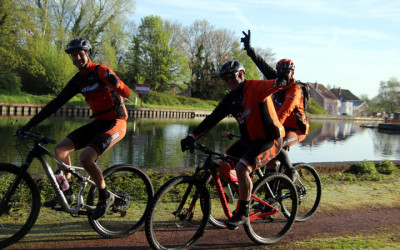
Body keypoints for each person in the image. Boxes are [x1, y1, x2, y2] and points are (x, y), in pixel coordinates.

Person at [17, 38, 130, 220]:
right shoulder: (78, 81)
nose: (77, 58)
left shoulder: (101, 71)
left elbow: (127, 92)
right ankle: (66, 191)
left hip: (117, 122)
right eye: (74, 55)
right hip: (98, 122)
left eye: (81, 54)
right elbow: (56, 104)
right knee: (60, 149)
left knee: (86, 157)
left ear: (88, 54)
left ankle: (105, 196)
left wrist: (115, 83)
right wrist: (29, 124)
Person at [180, 60, 287, 228]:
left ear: (241, 74)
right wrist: (192, 136)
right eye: (225, 79)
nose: (228, 81)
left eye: (231, 77)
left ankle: (243, 211)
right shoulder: (231, 99)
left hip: (270, 140)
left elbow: (275, 85)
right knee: (221, 165)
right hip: (248, 141)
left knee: (242, 168)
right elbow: (213, 118)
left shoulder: (256, 87)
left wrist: (281, 80)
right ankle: (244, 191)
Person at [241, 30, 309, 179]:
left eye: (287, 72)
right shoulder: (277, 81)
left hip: (295, 129)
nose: (283, 75)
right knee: (269, 156)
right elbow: (262, 65)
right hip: (279, 126)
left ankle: (291, 171)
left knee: (277, 145)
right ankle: (271, 194)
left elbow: (285, 110)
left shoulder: (295, 90)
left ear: (292, 73)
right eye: (280, 72)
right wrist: (250, 50)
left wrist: (273, 129)